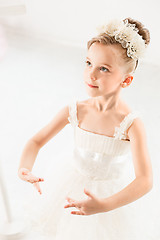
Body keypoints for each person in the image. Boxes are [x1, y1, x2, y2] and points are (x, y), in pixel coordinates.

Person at [18, 17, 160, 239]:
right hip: (70, 184)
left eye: (103, 68)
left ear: (126, 80)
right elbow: (36, 141)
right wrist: (24, 168)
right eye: (88, 63)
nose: (91, 74)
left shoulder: (131, 123)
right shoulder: (75, 109)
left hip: (109, 195)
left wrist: (104, 205)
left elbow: (145, 180)